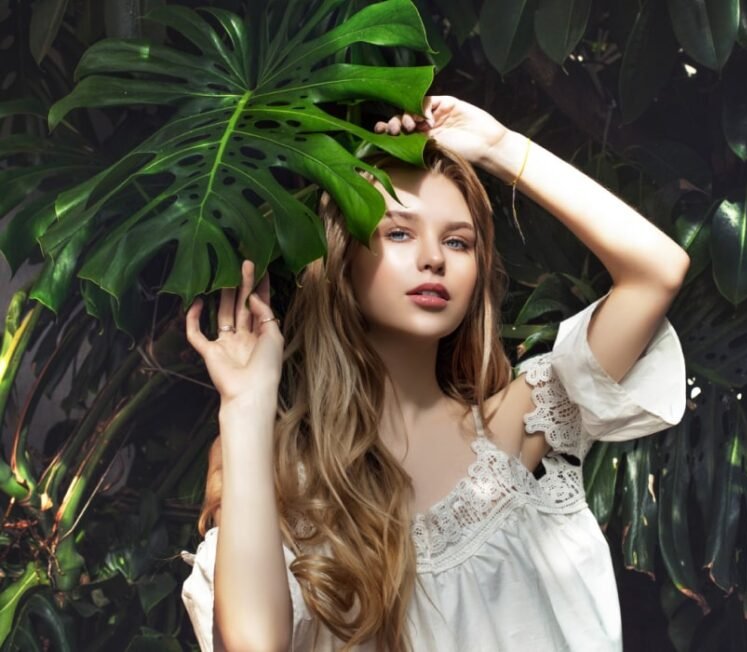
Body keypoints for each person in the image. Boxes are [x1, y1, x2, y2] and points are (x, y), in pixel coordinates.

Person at [179, 95, 690, 651]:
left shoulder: (517, 427)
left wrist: (499, 148)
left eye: (457, 241)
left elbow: (656, 272)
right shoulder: (286, 483)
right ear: (344, 262)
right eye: (399, 233)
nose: (434, 259)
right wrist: (245, 403)